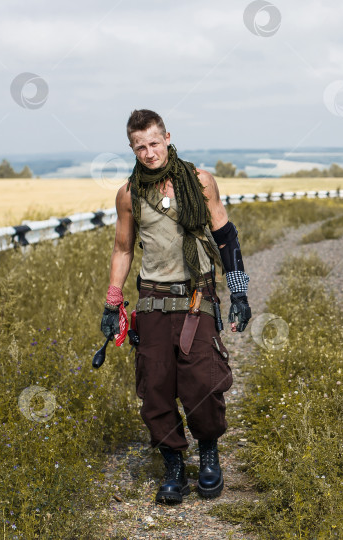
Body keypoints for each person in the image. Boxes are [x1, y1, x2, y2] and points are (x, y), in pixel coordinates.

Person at [100, 109, 251, 504]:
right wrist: (112, 301)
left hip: (197, 297)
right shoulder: (129, 194)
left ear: (167, 137)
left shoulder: (200, 182)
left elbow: (225, 237)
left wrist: (239, 293)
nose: (149, 153)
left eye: (154, 143)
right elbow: (122, 248)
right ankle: (173, 467)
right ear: (131, 148)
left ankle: (209, 456)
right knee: (156, 388)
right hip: (152, 300)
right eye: (140, 147)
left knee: (203, 382)